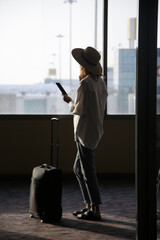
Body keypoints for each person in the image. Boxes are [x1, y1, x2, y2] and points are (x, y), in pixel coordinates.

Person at [62, 46, 107, 221]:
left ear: (83, 66)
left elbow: (78, 109)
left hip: (83, 132)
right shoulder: (100, 83)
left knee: (87, 171)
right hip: (94, 130)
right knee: (78, 169)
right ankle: (89, 205)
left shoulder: (85, 84)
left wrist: (69, 101)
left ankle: (94, 209)